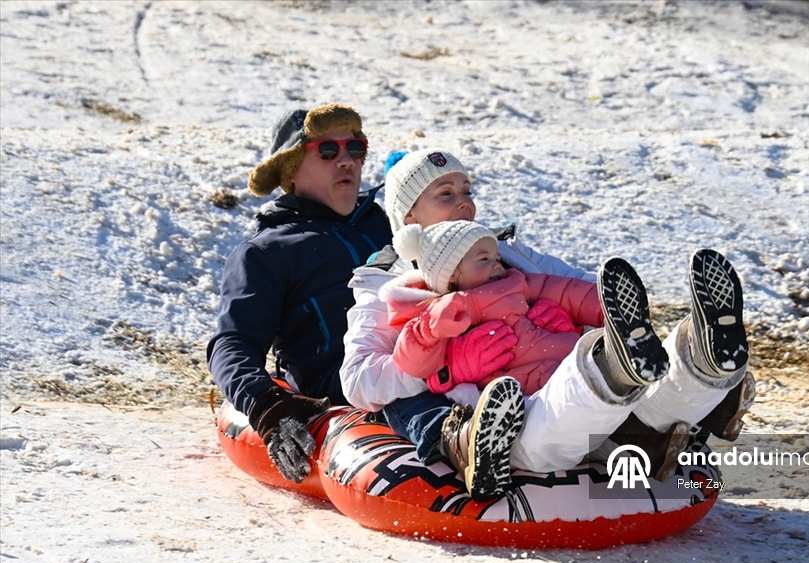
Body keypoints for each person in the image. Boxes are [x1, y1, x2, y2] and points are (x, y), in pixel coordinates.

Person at [341, 148, 754, 492]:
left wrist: (587, 316)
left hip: (554, 362)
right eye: (445, 194)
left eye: (467, 189)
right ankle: (625, 375)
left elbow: (582, 292)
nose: (464, 202)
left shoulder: (510, 256)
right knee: (563, 406)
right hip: (497, 406)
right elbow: (358, 379)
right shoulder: (390, 287)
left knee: (619, 380)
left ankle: (701, 362)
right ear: (410, 219)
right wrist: (443, 359)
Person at [207, 104, 393, 484]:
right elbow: (232, 343)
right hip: (351, 386)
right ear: (291, 168)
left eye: (355, 148)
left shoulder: (389, 225)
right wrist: (268, 408)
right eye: (328, 150)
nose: (347, 162)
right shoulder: (266, 253)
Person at [380, 219, 611, 497]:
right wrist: (431, 332)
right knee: (560, 416)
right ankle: (489, 447)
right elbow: (413, 363)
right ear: (452, 274)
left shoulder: (519, 283)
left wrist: (606, 308)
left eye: (497, 257)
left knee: (598, 402)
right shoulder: (440, 311)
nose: (498, 265)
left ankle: (648, 425)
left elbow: (565, 291)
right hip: (519, 393)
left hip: (559, 366)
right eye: (484, 258)